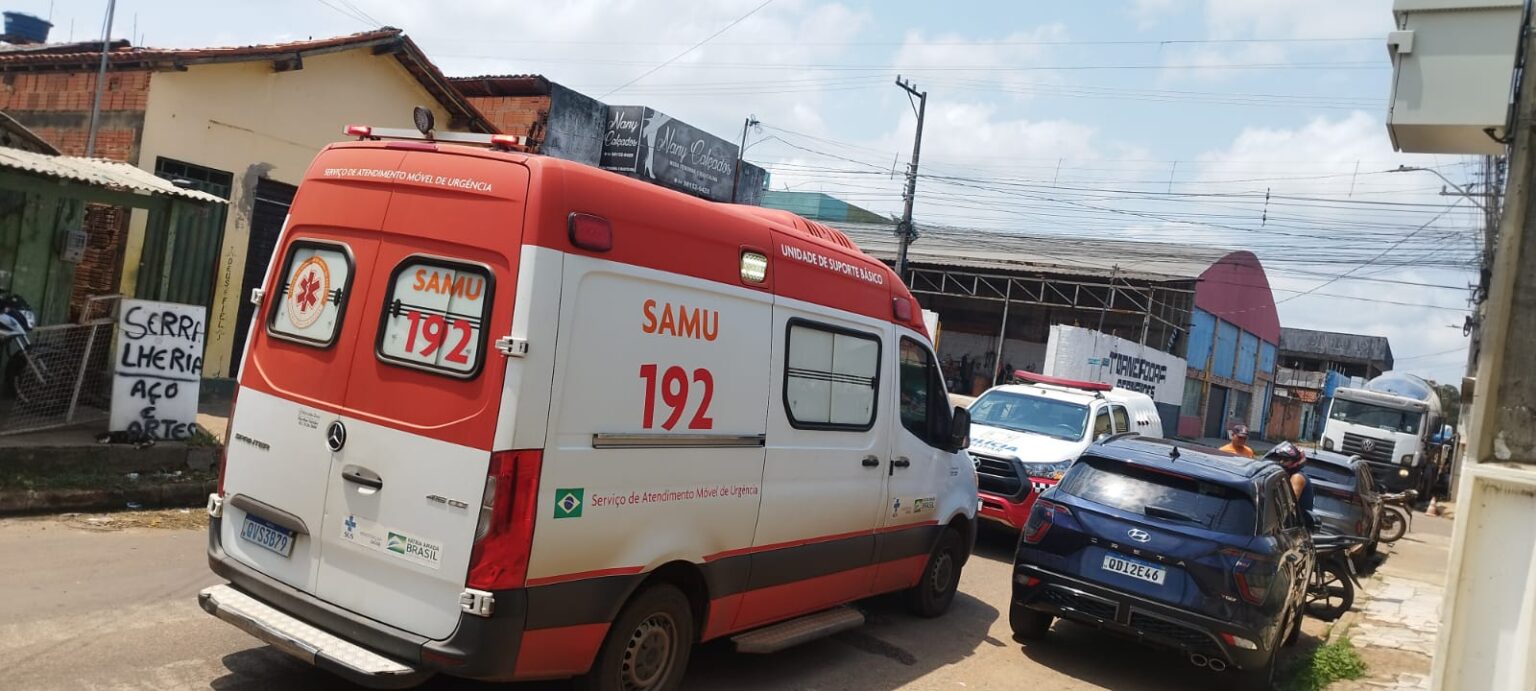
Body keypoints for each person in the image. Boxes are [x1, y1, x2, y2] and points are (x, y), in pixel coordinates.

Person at [1265, 441, 1314, 517]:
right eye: (1280, 458)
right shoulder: (1287, 476)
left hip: (1298, 525)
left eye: (1286, 460)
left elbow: (1288, 505)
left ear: (1295, 461)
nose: (1281, 462)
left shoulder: (1297, 477)